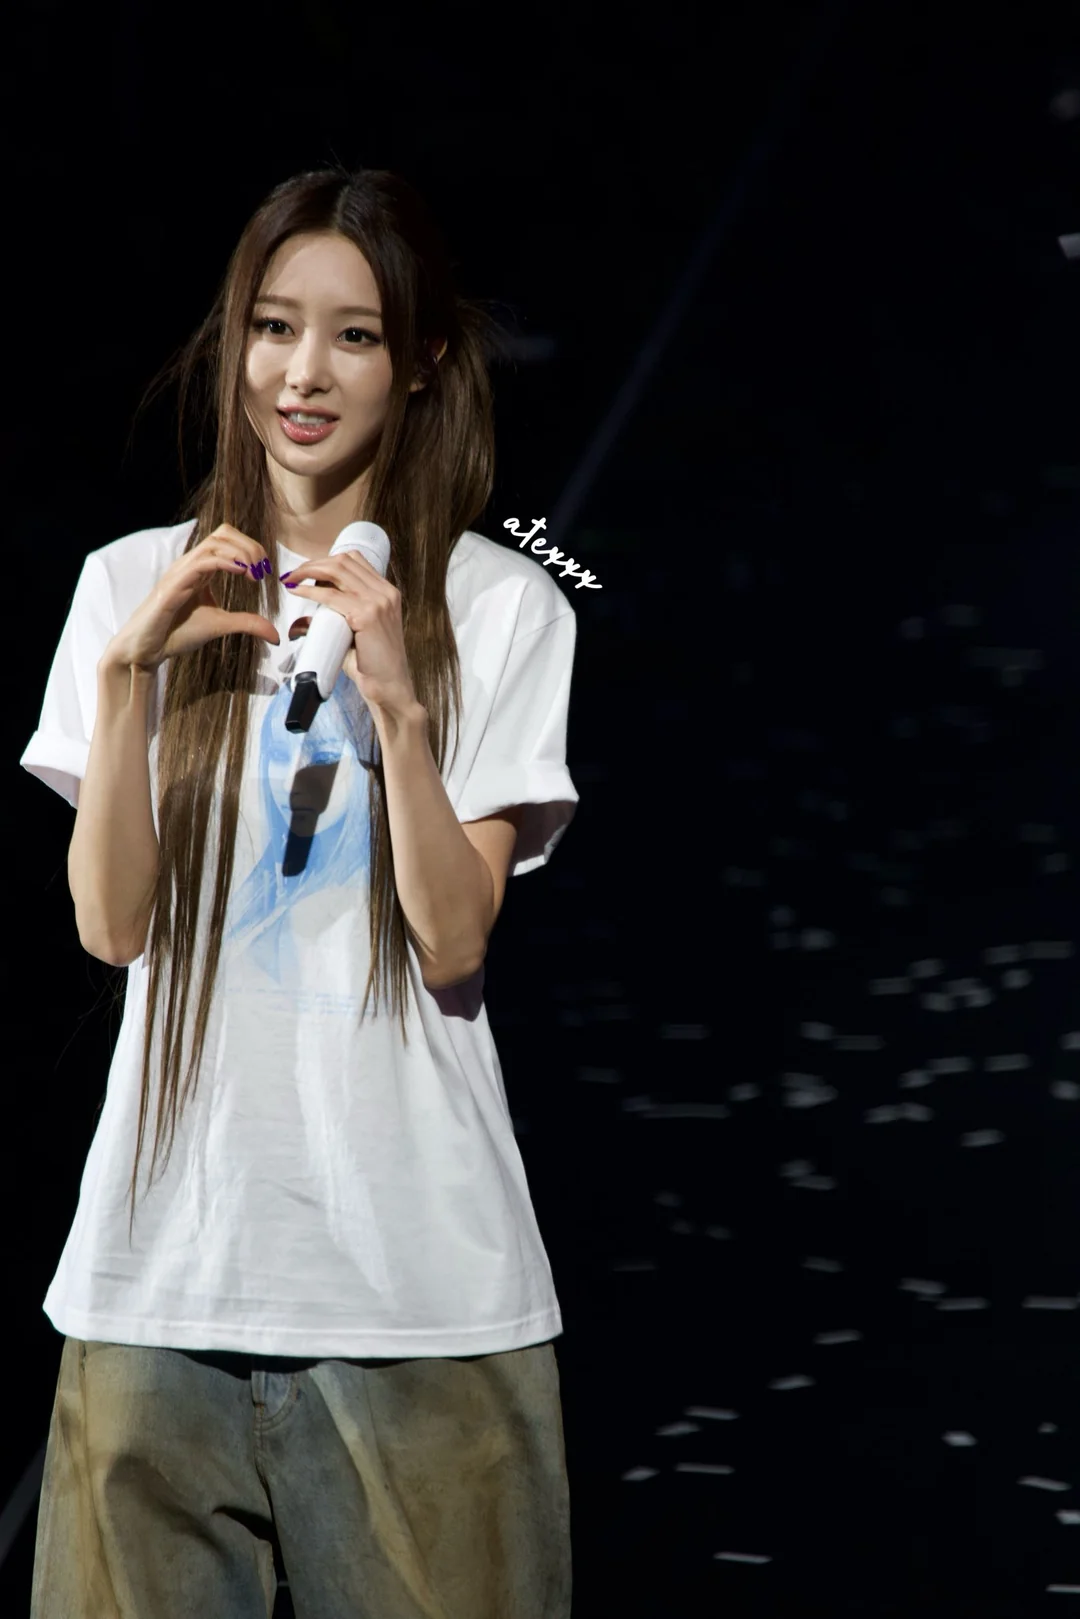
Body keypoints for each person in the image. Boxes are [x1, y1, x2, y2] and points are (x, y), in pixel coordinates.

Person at [20, 164, 578, 1619]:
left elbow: (452, 938)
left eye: (354, 335)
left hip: (420, 1297)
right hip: (159, 1282)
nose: (302, 373)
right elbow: (113, 927)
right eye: (274, 327)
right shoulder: (128, 584)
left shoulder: (505, 606)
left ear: (422, 360)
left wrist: (400, 710)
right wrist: (130, 685)